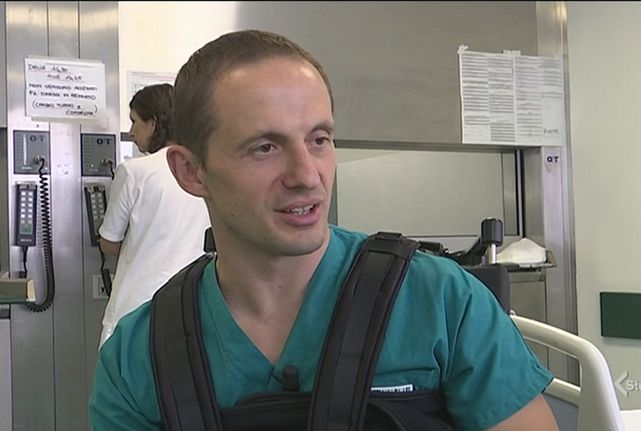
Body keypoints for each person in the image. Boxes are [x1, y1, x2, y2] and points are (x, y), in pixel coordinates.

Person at [89, 30, 558, 430]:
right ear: (191, 171)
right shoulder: (138, 357)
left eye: (319, 140)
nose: (306, 175)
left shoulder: (441, 302)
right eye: (265, 147)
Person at [97, 83, 211, 346]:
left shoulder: (134, 171)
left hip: (137, 307)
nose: (131, 131)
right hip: (190, 306)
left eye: (135, 121)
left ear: (153, 123)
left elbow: (109, 243)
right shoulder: (204, 170)